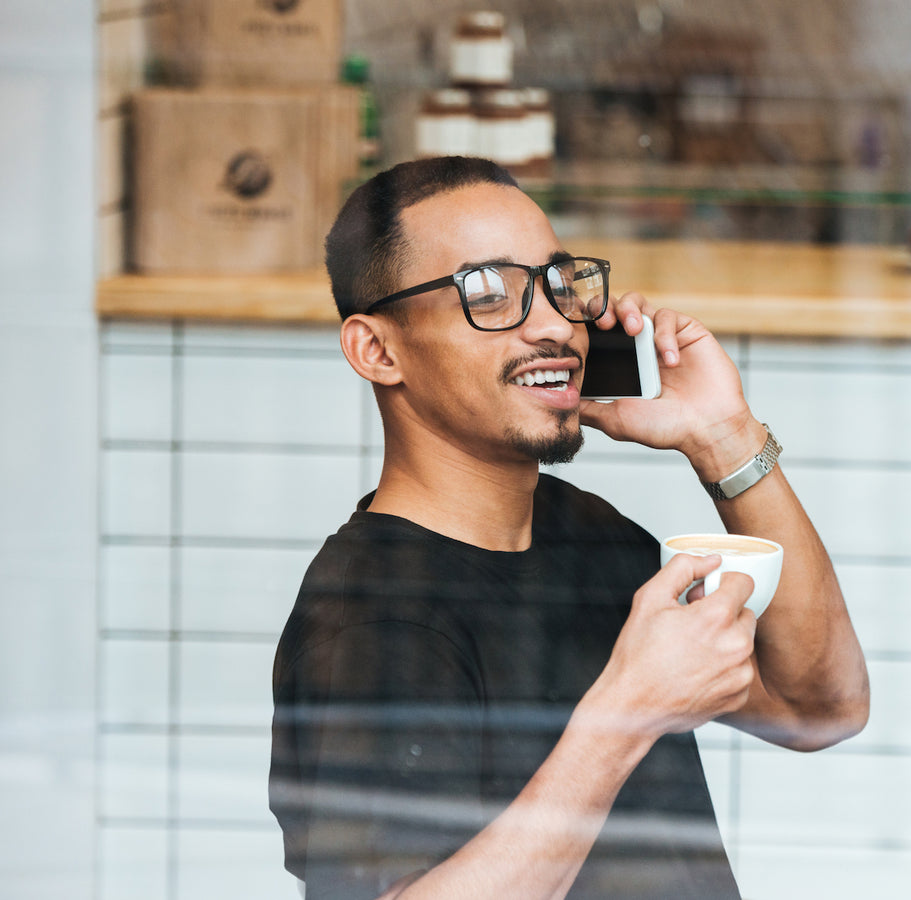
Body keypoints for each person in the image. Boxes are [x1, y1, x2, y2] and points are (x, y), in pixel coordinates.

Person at [268, 156, 871, 900]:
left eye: (559, 284)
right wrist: (625, 717)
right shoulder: (374, 616)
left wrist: (724, 436)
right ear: (378, 350)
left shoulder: (589, 537)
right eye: (487, 293)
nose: (556, 325)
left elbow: (823, 707)